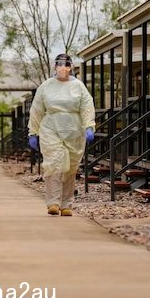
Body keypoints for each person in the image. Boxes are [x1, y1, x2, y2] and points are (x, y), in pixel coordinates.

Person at [27, 54, 95, 216]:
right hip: (51, 129)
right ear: (55, 66)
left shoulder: (78, 86)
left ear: (71, 67)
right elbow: (36, 110)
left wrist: (89, 126)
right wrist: (33, 131)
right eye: (59, 65)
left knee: (70, 168)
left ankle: (66, 204)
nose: (62, 68)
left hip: (74, 130)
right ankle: (53, 202)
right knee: (55, 164)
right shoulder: (46, 86)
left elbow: (86, 106)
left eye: (66, 65)